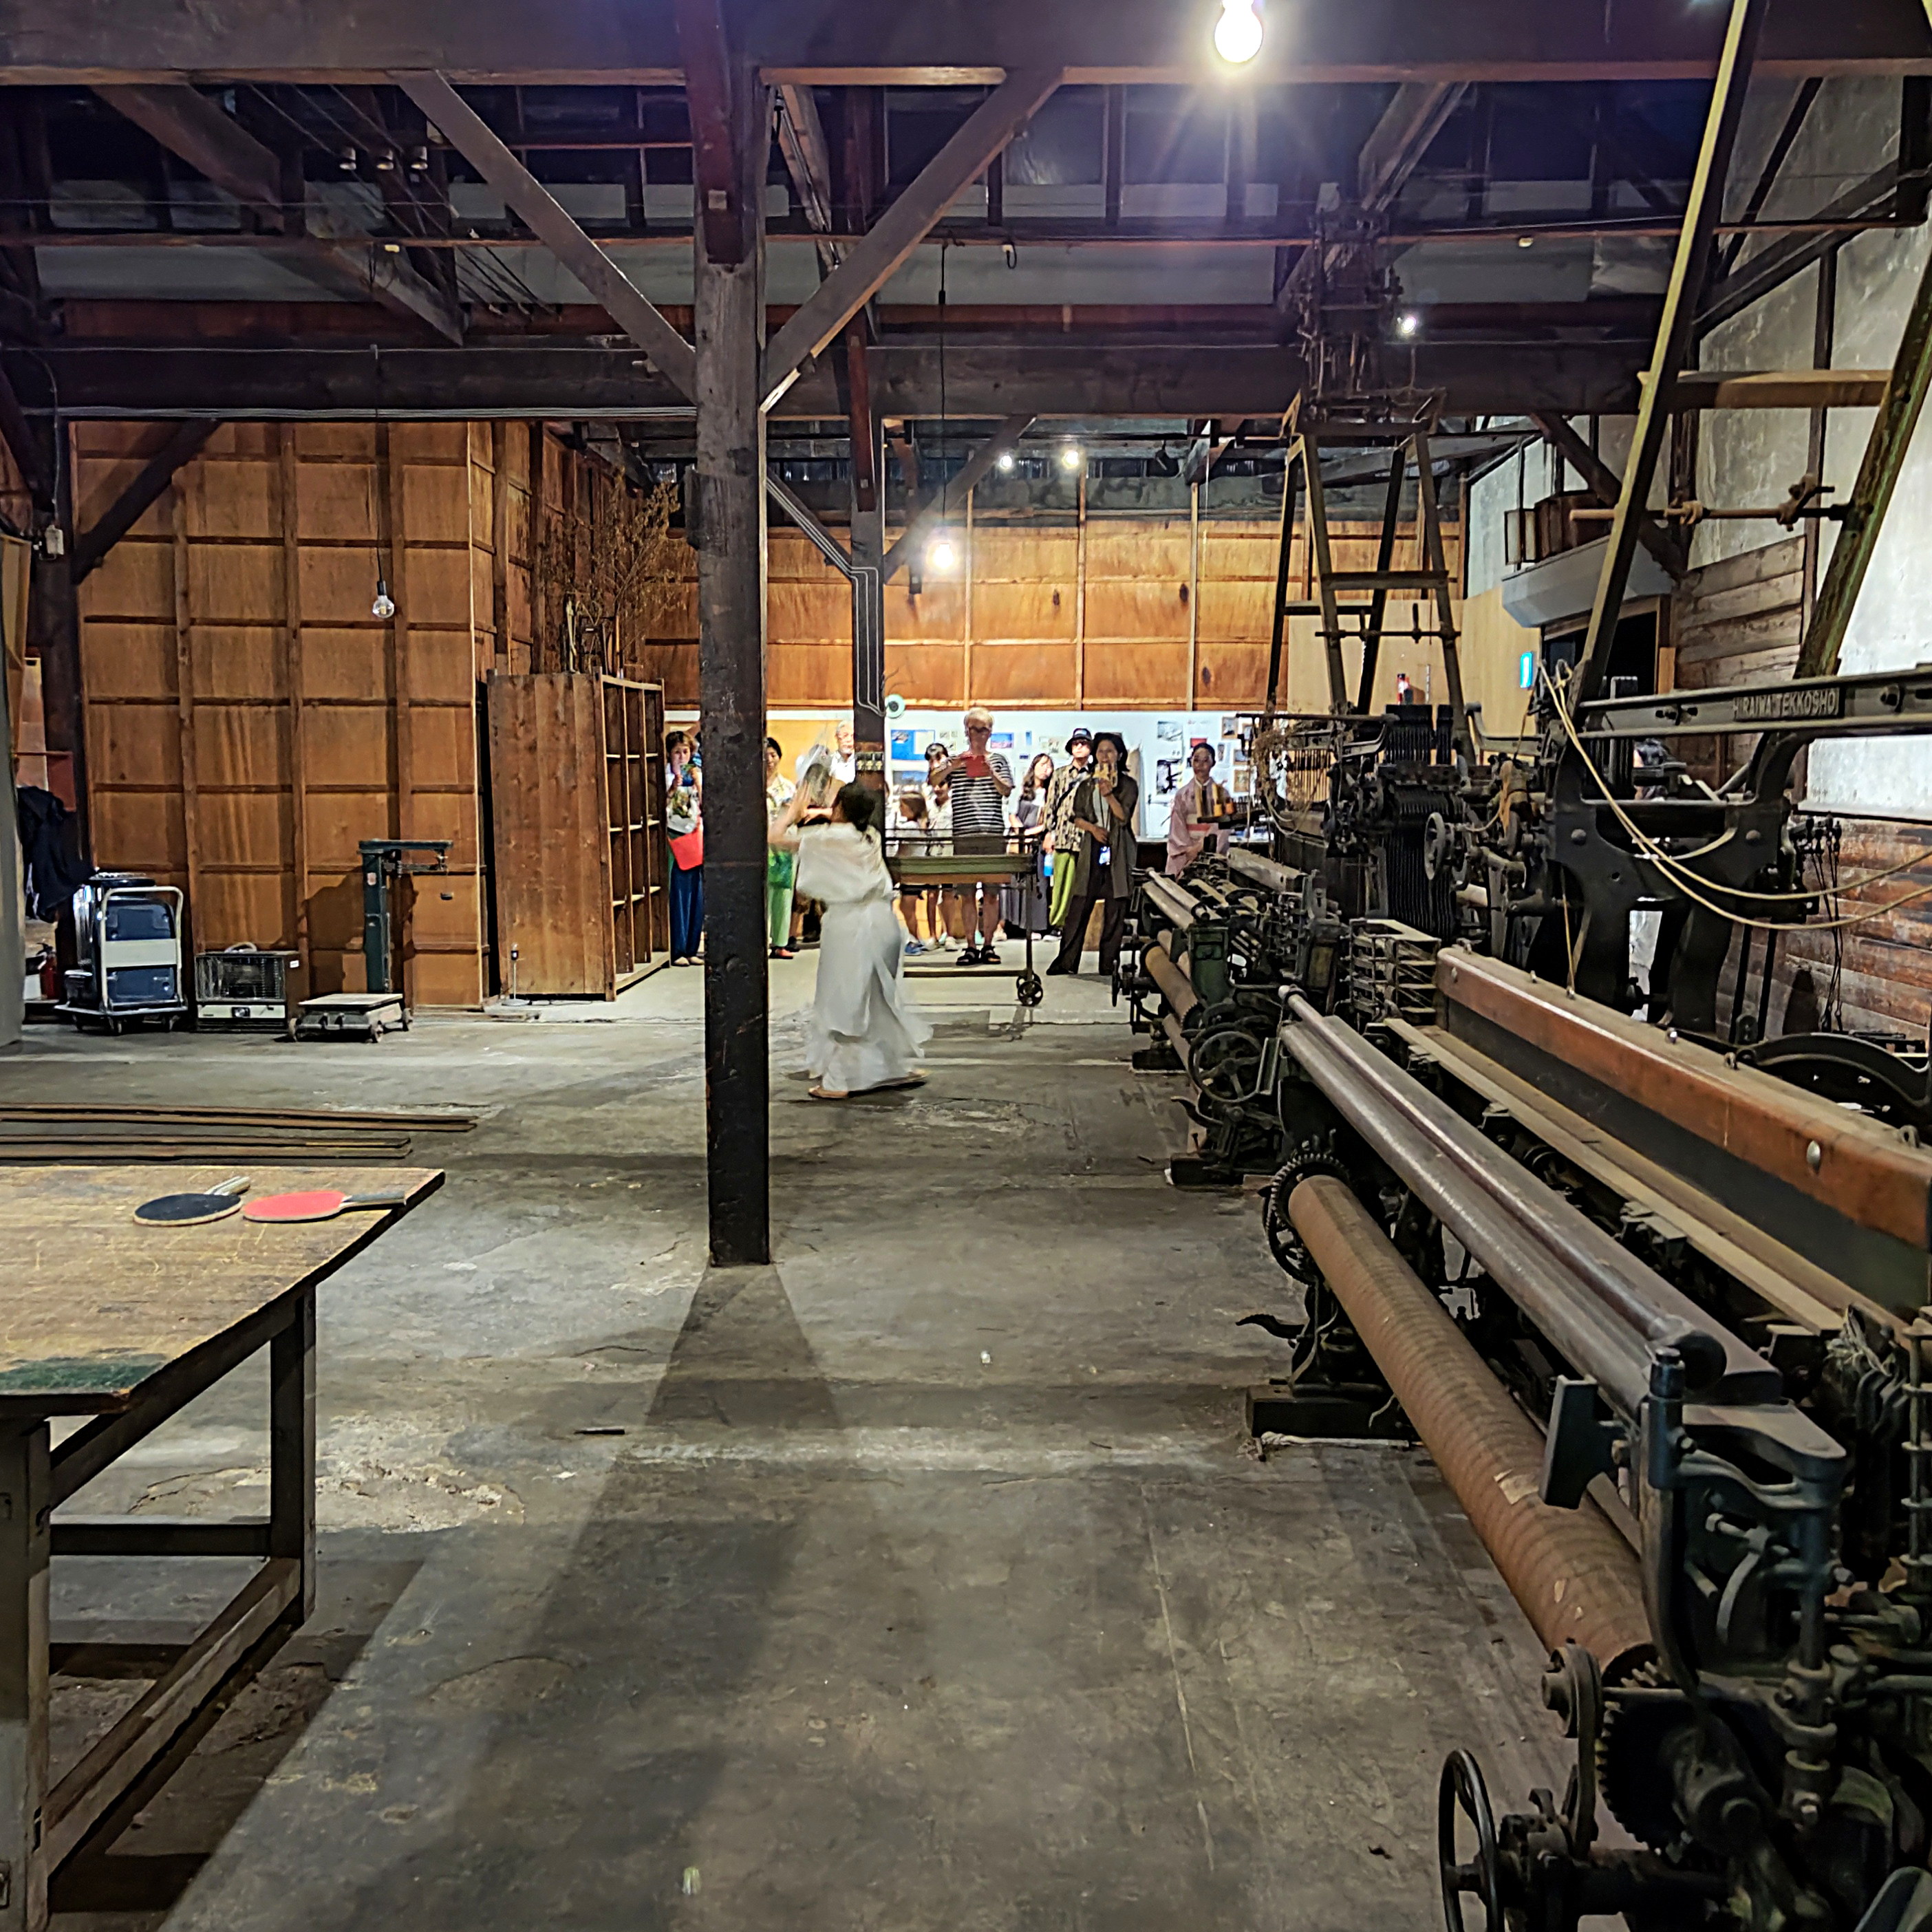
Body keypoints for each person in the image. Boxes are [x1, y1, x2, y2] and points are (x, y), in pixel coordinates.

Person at [770, 781, 932, 1101]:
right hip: (884, 922)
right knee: (878, 1000)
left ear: (841, 808)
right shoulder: (869, 835)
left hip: (852, 925)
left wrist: (791, 813)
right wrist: (818, 811)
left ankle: (841, 1079)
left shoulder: (830, 838)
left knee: (844, 1002)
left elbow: (774, 839)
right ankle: (890, 1068)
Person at [1048, 729, 1137, 978]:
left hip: (1118, 849)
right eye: (1101, 751)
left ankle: (1109, 963)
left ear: (1119, 755)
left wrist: (1108, 795)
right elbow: (1076, 816)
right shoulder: (1087, 784)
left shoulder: (1128, 785)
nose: (1105, 756)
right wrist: (1093, 829)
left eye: (1110, 751)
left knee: (1115, 906)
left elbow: (1123, 817)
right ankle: (1066, 959)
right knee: (1079, 903)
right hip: (1092, 846)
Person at [945, 706, 1013, 966]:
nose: (978, 734)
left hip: (992, 832)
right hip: (964, 833)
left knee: (992, 892)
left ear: (990, 732)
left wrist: (990, 770)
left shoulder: (999, 760)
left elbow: (1006, 790)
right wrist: (953, 766)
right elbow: (934, 780)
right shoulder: (957, 759)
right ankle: (971, 946)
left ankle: (988, 945)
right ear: (966, 731)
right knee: (967, 893)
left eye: (983, 729)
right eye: (973, 729)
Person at [1002, 751, 1057, 936]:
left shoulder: (1050, 794)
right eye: (1042, 765)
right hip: (1018, 842)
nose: (1045, 770)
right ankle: (1013, 926)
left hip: (1037, 843)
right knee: (1014, 883)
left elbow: (1049, 821)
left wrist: (1031, 833)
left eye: (1049, 766)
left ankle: (1035, 926)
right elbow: (1012, 814)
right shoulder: (1022, 789)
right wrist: (1020, 833)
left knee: (1037, 884)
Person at [1042, 728, 1093, 930]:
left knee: (1081, 886)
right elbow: (1051, 805)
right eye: (1075, 744)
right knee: (1060, 884)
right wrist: (1049, 833)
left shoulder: (1095, 775)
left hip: (1085, 837)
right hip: (1063, 836)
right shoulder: (1060, 774)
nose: (1079, 747)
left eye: (1084, 743)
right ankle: (1057, 923)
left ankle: (1076, 925)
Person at [1166, 740, 1232, 877]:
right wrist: (1189, 850)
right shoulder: (1182, 794)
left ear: (1213, 763)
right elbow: (1177, 827)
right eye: (1196, 760)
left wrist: (1200, 847)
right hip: (1186, 852)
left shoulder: (1222, 794)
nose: (1200, 765)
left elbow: (1222, 828)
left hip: (1212, 850)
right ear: (1191, 762)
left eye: (1205, 761)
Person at [665, 729, 703, 965]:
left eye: (686, 752)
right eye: (677, 752)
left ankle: (691, 948)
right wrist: (672, 788)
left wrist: (698, 783)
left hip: (694, 834)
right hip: (674, 837)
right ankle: (677, 948)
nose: (682, 757)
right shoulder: (666, 775)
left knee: (696, 894)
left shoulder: (696, 774)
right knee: (679, 893)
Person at [922, 741, 960, 949]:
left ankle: (950, 934)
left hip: (950, 850)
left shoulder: (955, 801)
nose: (938, 788)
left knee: (948, 893)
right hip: (931, 851)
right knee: (931, 893)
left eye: (942, 784)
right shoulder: (927, 799)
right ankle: (932, 936)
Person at [890, 787, 935, 954]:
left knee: (907, 909)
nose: (900, 809)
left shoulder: (910, 827)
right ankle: (916, 937)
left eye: (902, 806)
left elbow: (896, 837)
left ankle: (914, 939)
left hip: (912, 874)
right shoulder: (916, 826)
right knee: (906, 907)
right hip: (913, 874)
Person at [765, 737, 798, 960]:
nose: (769, 760)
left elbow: (798, 815)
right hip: (760, 845)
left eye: (773, 755)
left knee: (784, 893)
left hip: (784, 845)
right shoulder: (751, 788)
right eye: (765, 755)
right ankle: (760, 942)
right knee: (762, 894)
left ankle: (780, 943)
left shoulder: (787, 787)